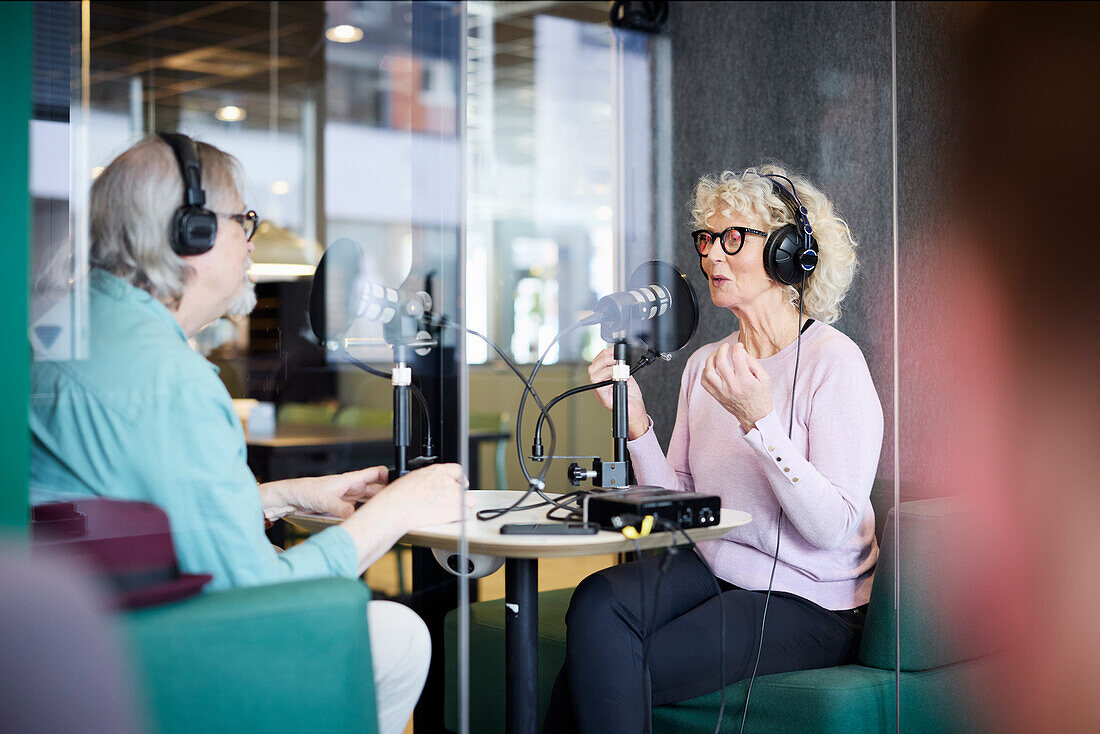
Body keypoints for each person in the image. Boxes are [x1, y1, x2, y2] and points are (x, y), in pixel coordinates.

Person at [28, 133, 469, 734]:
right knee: (396, 634)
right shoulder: (172, 378)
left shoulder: (65, 331)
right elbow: (256, 594)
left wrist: (283, 496)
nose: (251, 239)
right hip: (150, 659)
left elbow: (133, 508)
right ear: (192, 233)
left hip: (70, 647)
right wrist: (391, 514)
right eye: (244, 220)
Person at [544, 164, 884, 732]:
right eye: (706, 238)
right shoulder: (706, 364)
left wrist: (759, 421)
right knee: (597, 601)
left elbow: (832, 529)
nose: (710, 257)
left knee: (609, 665)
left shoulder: (836, 362)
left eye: (732, 238)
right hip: (711, 563)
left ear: (787, 253)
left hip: (812, 598)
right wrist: (636, 425)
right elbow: (678, 504)